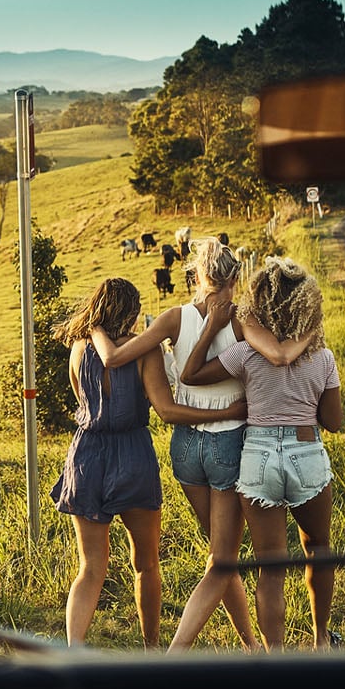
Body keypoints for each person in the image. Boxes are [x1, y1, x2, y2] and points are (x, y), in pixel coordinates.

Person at [88, 239, 314, 650]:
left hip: (186, 448)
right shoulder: (243, 319)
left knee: (220, 557)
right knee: (221, 561)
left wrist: (96, 327)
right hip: (229, 445)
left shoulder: (173, 319)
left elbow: (113, 358)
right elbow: (279, 356)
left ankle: (251, 645)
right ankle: (175, 655)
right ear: (234, 278)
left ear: (197, 276)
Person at [53, 277, 249, 647]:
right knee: (146, 563)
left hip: (86, 456)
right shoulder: (144, 351)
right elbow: (166, 410)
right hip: (132, 457)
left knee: (91, 567)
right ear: (129, 311)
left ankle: (74, 649)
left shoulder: (79, 349)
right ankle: (151, 649)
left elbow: (82, 400)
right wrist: (224, 413)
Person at [181, 258, 342, 649]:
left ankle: (275, 659)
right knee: (317, 548)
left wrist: (210, 331)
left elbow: (190, 374)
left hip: (257, 457)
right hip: (306, 452)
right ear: (307, 307)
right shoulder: (322, 358)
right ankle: (321, 640)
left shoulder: (245, 355)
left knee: (271, 567)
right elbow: (333, 422)